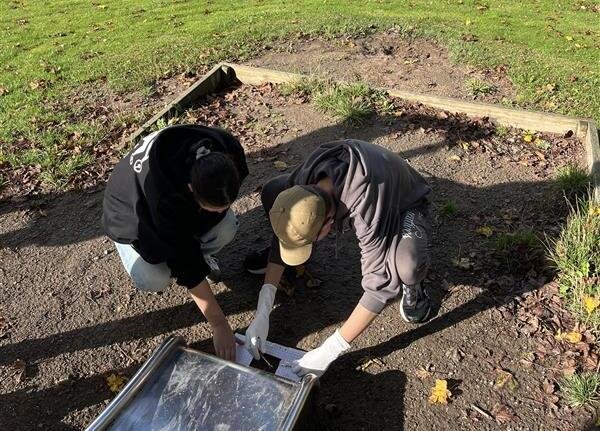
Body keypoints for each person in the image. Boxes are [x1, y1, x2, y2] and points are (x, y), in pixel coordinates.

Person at [243, 139, 432, 377]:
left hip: (404, 200)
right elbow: (289, 220)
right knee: (272, 190)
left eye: (312, 240)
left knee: (406, 265)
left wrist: (332, 348)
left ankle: (415, 286)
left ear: (330, 223)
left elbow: (379, 287)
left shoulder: (367, 213)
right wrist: (264, 306)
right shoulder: (301, 182)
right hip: (367, 176)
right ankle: (292, 259)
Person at [102, 124, 248, 361]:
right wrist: (219, 324)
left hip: (176, 204)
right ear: (190, 189)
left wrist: (214, 212)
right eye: (212, 207)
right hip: (129, 216)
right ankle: (128, 248)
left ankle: (201, 253)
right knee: (154, 276)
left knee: (227, 225)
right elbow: (185, 265)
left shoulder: (228, 148)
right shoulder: (161, 198)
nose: (223, 209)